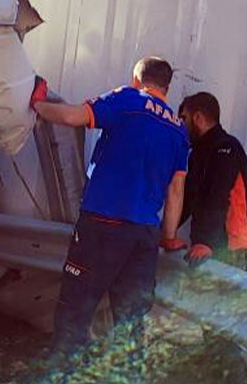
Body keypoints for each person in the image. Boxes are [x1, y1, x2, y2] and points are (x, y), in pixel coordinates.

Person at [30, 57, 189, 355]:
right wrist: (168, 237)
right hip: (144, 234)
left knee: (75, 309)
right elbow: (176, 190)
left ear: (137, 80)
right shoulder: (178, 129)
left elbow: (72, 117)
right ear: (166, 86)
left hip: (104, 224)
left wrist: (37, 104)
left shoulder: (128, 99)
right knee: (131, 321)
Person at [177, 91, 247, 384]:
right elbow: (191, 197)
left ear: (197, 116)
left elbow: (217, 197)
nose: (182, 125)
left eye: (184, 118)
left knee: (223, 318)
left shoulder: (226, 148)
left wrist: (206, 242)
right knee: (209, 317)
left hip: (229, 248)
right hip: (211, 247)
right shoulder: (200, 151)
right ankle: (217, 380)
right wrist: (164, 233)